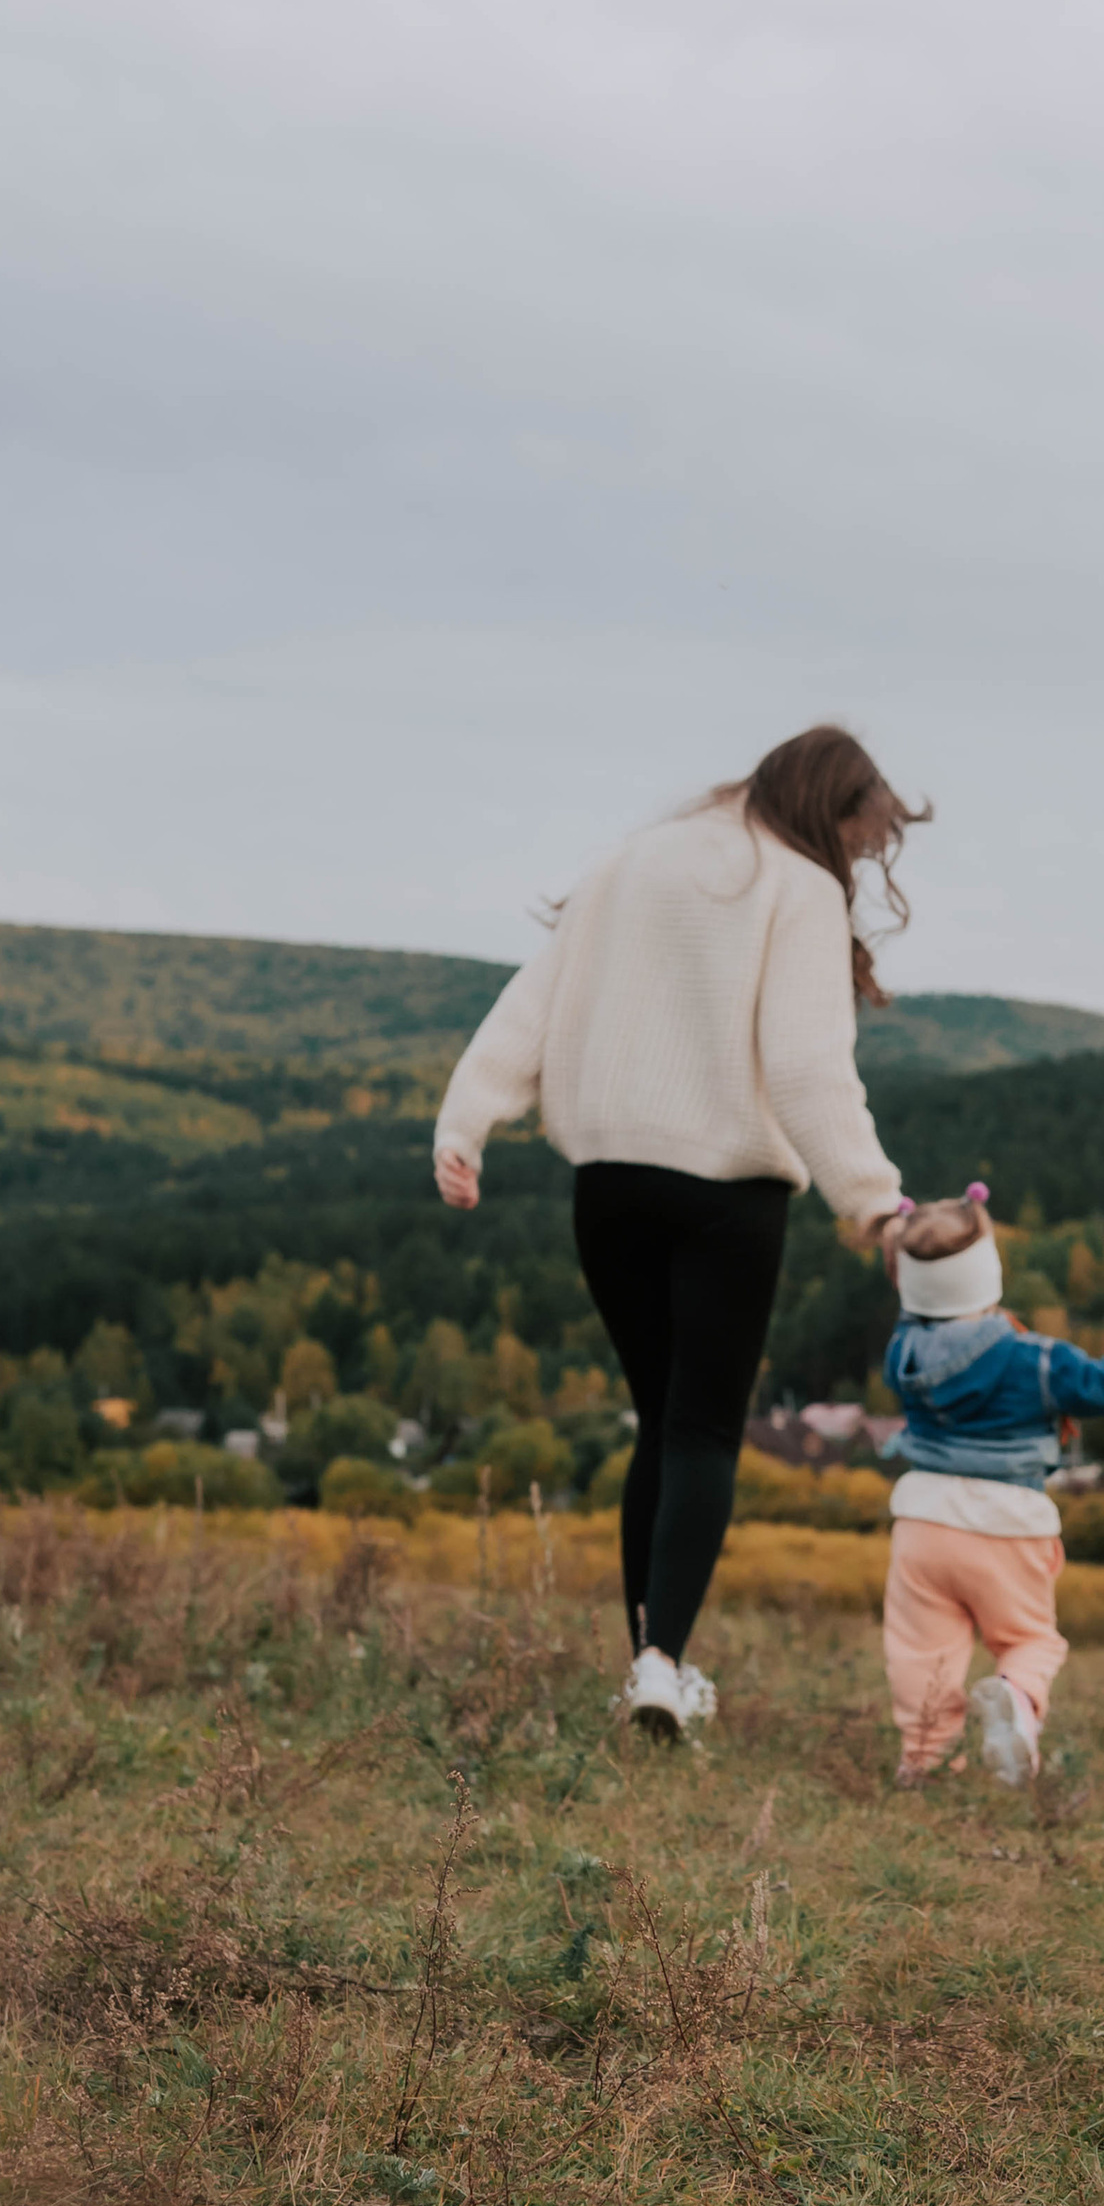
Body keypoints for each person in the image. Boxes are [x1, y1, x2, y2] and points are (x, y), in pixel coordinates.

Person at [433, 728, 918, 1737]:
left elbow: (538, 995)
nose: (858, 862)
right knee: (702, 1429)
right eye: (861, 841)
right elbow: (803, 1067)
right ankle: (661, 1666)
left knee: (658, 1423)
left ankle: (646, 1665)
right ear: (832, 809)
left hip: (607, 1185)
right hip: (726, 1194)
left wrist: (468, 1116)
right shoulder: (796, 886)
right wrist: (874, 1200)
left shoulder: (635, 858)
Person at [879, 1186, 1104, 1789]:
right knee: (1029, 1638)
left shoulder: (902, 1352)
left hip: (923, 1523)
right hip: (1007, 1524)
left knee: (920, 1652)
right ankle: (1017, 1698)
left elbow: (918, 1301)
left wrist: (904, 1244)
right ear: (990, 1273)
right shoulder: (1035, 1359)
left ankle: (924, 1760)